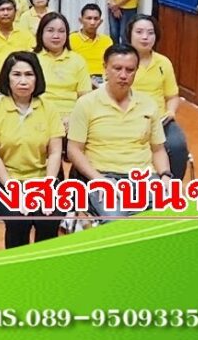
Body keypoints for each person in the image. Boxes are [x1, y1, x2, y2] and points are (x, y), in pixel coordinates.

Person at [66, 44, 171, 219]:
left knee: (168, 218)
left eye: (130, 70)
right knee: (116, 221)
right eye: (117, 68)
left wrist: (165, 176)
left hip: (144, 177)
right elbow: (74, 150)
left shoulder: (148, 104)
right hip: (103, 176)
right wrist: (98, 179)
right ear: (105, 69)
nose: (123, 75)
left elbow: (158, 150)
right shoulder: (86, 103)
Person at [0, 51, 65, 247]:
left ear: (37, 78)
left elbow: (55, 152)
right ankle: (18, 264)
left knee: (50, 216)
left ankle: (45, 264)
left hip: (40, 179)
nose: (23, 81)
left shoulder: (49, 108)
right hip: (3, 180)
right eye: (16, 74)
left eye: (29, 74)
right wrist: (12, 189)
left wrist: (48, 187)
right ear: (7, 78)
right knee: (19, 218)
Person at [127, 15, 189, 179]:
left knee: (177, 145)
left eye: (150, 33)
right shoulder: (122, 60)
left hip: (160, 120)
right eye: (139, 32)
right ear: (129, 35)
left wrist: (171, 111)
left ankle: (171, 187)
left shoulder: (163, 62)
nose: (145, 37)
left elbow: (172, 96)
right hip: (128, 118)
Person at [35, 13, 91, 133]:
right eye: (50, 30)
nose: (56, 36)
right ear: (41, 33)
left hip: (71, 118)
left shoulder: (78, 60)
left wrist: (73, 118)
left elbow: (85, 99)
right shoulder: (32, 59)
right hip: (39, 116)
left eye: (61, 31)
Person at [0, 0, 36, 71]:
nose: (6, 13)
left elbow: (33, 59)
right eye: (2, 10)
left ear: (15, 12)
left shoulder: (26, 34)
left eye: (9, 9)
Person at [69, 4, 113, 85]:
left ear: (100, 21)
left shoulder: (107, 41)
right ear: (81, 20)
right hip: (80, 80)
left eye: (96, 19)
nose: (92, 22)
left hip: (103, 81)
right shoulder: (70, 39)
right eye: (89, 18)